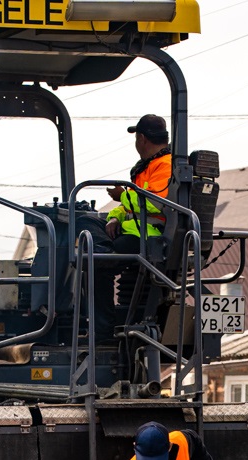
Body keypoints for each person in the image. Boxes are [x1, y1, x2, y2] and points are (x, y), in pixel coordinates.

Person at [91, 113, 172, 345]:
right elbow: (131, 205)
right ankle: (101, 246)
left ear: (142, 138)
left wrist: (122, 195)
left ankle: (102, 332)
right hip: (133, 231)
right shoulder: (148, 167)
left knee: (96, 264)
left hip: (149, 236)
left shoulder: (165, 166)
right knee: (87, 222)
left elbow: (156, 202)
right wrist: (114, 218)